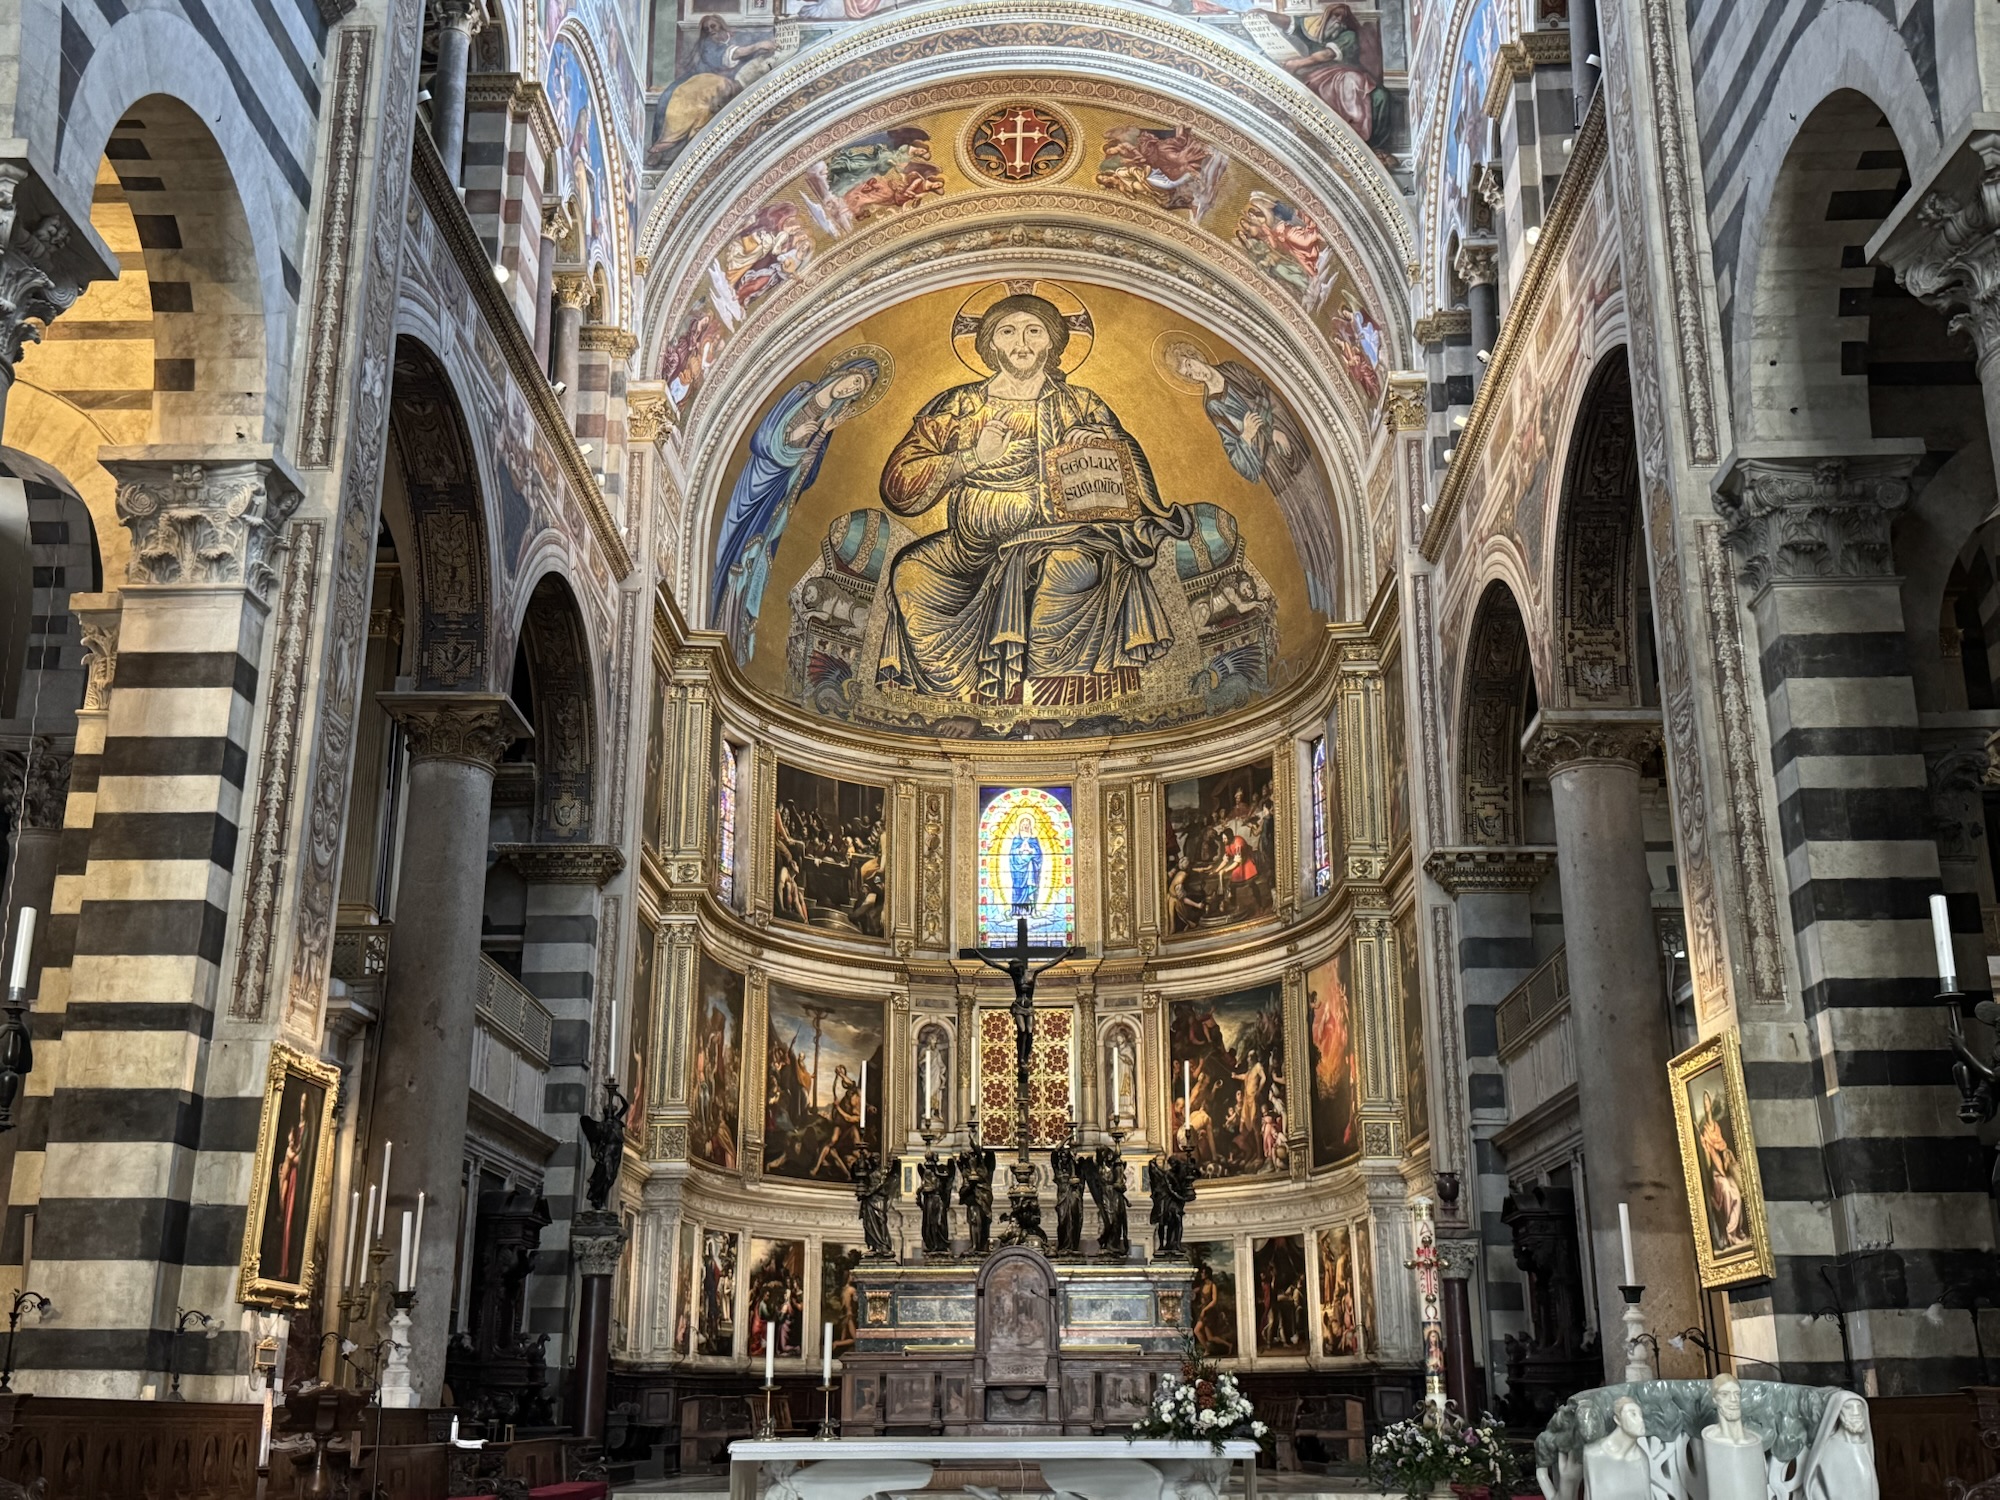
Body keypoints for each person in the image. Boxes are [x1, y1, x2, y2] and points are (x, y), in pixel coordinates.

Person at [875, 292, 1193, 706]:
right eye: (1007, 332)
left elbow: (1130, 482)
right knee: (910, 572)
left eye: (1034, 331)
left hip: (1063, 535)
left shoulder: (1081, 404)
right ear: (990, 345)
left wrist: (1098, 443)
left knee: (1069, 569)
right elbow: (899, 486)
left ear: (1053, 343)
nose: (1021, 343)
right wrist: (971, 458)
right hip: (970, 550)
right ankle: (962, 702)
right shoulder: (958, 405)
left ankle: (1052, 703)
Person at [712, 356, 882, 664]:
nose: (851, 389)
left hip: (778, 494)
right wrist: (791, 437)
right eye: (854, 381)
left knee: (755, 557)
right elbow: (761, 439)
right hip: (757, 480)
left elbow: (808, 474)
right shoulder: (801, 390)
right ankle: (716, 614)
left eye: (858, 390)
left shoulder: (829, 420)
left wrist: (820, 433)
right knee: (735, 553)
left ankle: (732, 632)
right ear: (843, 373)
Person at [1800, 1393, 1878, 1500]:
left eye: (1859, 1408)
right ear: (1838, 1412)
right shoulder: (1829, 1448)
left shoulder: (1863, 1445)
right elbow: (1814, 1486)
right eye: (1848, 1408)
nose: (1856, 1413)